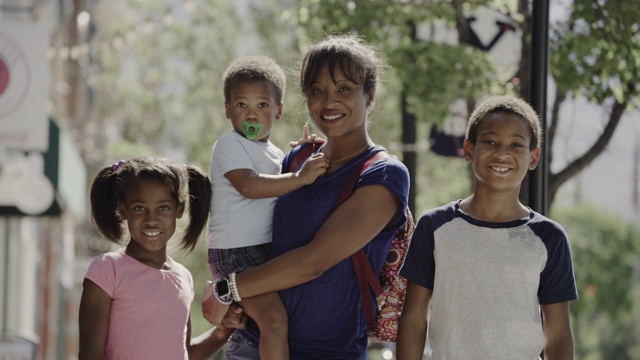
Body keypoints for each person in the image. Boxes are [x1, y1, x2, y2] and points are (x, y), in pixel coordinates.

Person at [202, 35, 410, 359]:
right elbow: (254, 234)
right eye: (317, 90)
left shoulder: (382, 174)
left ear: (369, 95)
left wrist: (227, 289)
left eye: (344, 89)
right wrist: (234, 305)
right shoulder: (298, 162)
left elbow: (312, 262)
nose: (329, 102)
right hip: (253, 346)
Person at [396, 95, 578, 359]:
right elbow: (414, 320)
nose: (502, 153)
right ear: (469, 149)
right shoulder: (434, 226)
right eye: (490, 142)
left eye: (516, 144)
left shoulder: (549, 237)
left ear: (533, 157)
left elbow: (559, 334)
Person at [207, 55, 328, 359]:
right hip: (236, 253)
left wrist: (302, 156)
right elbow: (249, 185)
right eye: (241, 105)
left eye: (262, 105)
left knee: (269, 322)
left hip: (264, 252)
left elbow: (288, 187)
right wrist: (299, 176)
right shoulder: (229, 144)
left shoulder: (275, 154)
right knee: (274, 322)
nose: (251, 115)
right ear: (227, 110)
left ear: (279, 110)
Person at [78, 156, 246, 360]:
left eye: (163, 208)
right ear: (123, 210)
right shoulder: (107, 270)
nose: (151, 219)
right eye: (140, 208)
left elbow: (184, 353)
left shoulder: (184, 277)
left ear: (179, 209)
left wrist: (224, 330)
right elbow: (90, 355)